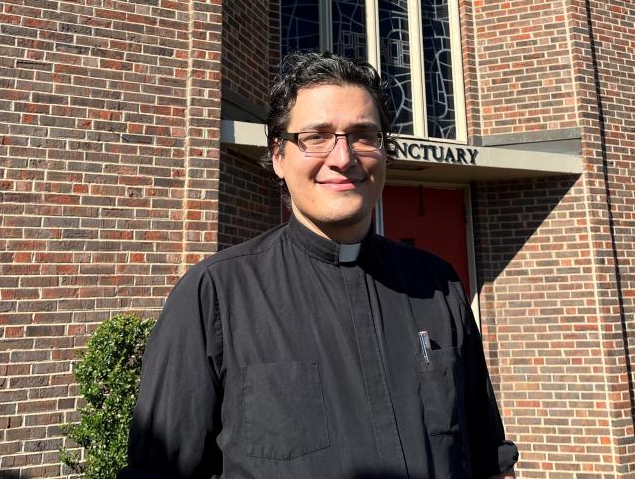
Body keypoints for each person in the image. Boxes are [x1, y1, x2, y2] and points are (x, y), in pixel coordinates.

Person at [121, 52, 518, 479]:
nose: (343, 157)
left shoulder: (437, 284)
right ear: (278, 157)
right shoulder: (214, 294)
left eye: (364, 135)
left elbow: (487, 457)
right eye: (316, 136)